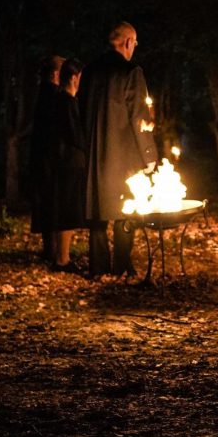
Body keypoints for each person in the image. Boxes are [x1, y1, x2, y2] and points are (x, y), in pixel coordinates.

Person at [78, 22, 158, 279]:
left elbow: (80, 111)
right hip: (124, 156)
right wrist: (149, 155)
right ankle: (122, 265)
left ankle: (98, 267)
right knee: (127, 211)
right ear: (128, 42)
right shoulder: (131, 71)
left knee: (98, 211)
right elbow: (139, 118)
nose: (134, 48)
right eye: (135, 43)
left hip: (94, 153)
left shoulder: (89, 71)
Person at [50, 58, 86, 273]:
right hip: (70, 162)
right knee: (68, 209)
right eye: (80, 77)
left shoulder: (58, 100)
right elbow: (75, 135)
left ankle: (60, 255)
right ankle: (62, 258)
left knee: (65, 207)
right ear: (74, 78)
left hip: (63, 161)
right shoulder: (67, 102)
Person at [29, 54, 64, 264]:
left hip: (42, 157)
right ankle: (53, 251)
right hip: (49, 158)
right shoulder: (53, 95)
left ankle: (50, 249)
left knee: (47, 202)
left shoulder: (43, 93)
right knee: (51, 203)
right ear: (56, 74)